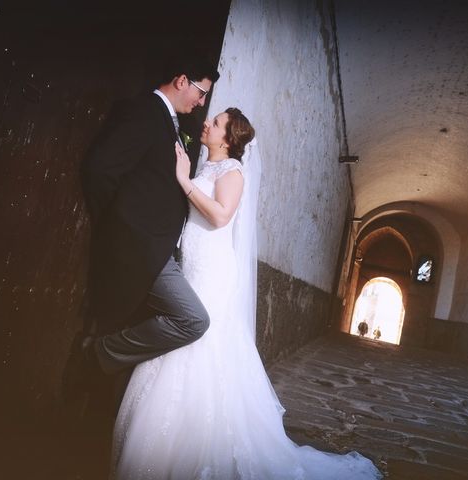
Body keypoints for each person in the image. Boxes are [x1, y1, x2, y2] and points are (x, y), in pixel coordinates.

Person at [110, 108, 382, 479]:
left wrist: (182, 180)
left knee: (198, 346)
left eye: (217, 122)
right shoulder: (205, 168)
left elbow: (221, 216)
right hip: (191, 265)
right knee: (182, 336)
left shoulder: (231, 172)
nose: (208, 123)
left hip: (212, 272)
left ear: (227, 139)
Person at [63, 56, 220, 404]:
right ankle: (96, 355)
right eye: (201, 92)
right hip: (140, 247)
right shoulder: (144, 111)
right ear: (181, 80)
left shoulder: (174, 123)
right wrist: (121, 229)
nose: (202, 102)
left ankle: (102, 385)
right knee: (192, 320)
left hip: (158, 249)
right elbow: (100, 170)